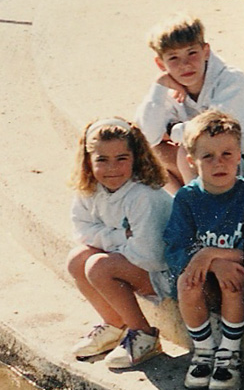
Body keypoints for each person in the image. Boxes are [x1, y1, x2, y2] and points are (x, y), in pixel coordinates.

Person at [164, 110, 244, 390]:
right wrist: (207, 261)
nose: (219, 163)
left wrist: (213, 256)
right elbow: (176, 247)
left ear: (239, 154)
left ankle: (229, 355)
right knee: (187, 280)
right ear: (192, 161)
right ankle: (204, 351)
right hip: (202, 282)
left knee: (231, 276)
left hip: (238, 279)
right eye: (208, 156)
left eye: (227, 154)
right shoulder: (187, 198)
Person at [66, 117, 173, 371]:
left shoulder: (144, 195)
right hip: (131, 258)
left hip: (165, 272)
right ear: (88, 161)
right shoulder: (89, 191)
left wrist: (108, 248)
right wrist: (118, 236)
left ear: (136, 158)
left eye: (121, 158)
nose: (112, 168)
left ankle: (143, 334)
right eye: (102, 160)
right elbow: (81, 232)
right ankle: (114, 325)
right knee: (77, 259)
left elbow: (150, 255)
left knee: (97, 266)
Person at [136, 15, 244, 191]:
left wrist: (172, 130)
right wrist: (158, 86)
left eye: (192, 53)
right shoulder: (168, 91)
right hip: (206, 164)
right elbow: (145, 136)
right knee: (153, 153)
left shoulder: (233, 81)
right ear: (160, 63)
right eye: (173, 58)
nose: (185, 64)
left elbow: (212, 132)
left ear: (206, 51)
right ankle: (190, 207)